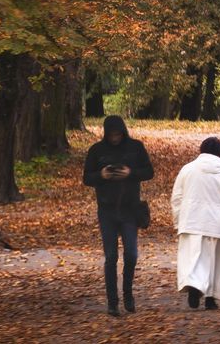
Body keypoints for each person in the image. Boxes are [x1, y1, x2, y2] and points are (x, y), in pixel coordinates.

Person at [83, 115, 154, 317]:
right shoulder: (97, 150)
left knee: (131, 254)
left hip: (130, 209)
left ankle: (128, 294)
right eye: (111, 134)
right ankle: (112, 302)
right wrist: (102, 175)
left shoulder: (136, 147)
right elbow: (86, 177)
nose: (115, 138)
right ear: (106, 133)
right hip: (106, 210)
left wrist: (130, 173)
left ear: (123, 132)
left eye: (118, 134)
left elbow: (149, 171)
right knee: (111, 257)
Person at [171, 136, 220, 311]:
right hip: (219, 223)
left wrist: (178, 221)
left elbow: (177, 198)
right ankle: (211, 298)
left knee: (193, 258)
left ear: (201, 150)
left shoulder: (187, 170)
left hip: (191, 220)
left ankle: (194, 286)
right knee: (216, 262)